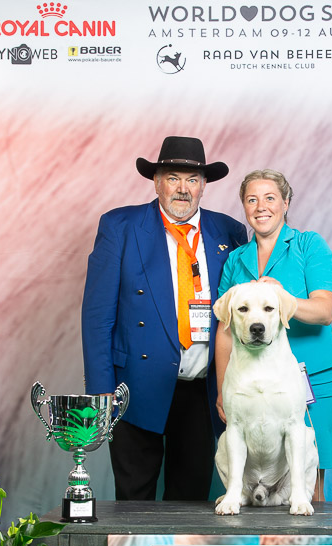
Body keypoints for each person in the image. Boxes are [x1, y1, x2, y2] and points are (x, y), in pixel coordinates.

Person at [81, 136, 247, 501]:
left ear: (204, 186)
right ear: (156, 183)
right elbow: (97, 315)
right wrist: (101, 389)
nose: (183, 189)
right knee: (134, 499)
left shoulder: (230, 232)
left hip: (203, 389)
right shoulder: (120, 226)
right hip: (135, 385)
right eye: (173, 178)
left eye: (192, 180)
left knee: (190, 500)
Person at [215, 169, 332, 501]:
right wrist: (222, 388)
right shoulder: (235, 260)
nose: (261, 207)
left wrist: (282, 298)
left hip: (310, 377)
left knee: (308, 486)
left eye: (270, 198)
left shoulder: (309, 246)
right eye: (251, 199)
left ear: (286, 203)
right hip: (248, 381)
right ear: (244, 206)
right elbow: (225, 331)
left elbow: (325, 310)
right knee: (248, 475)